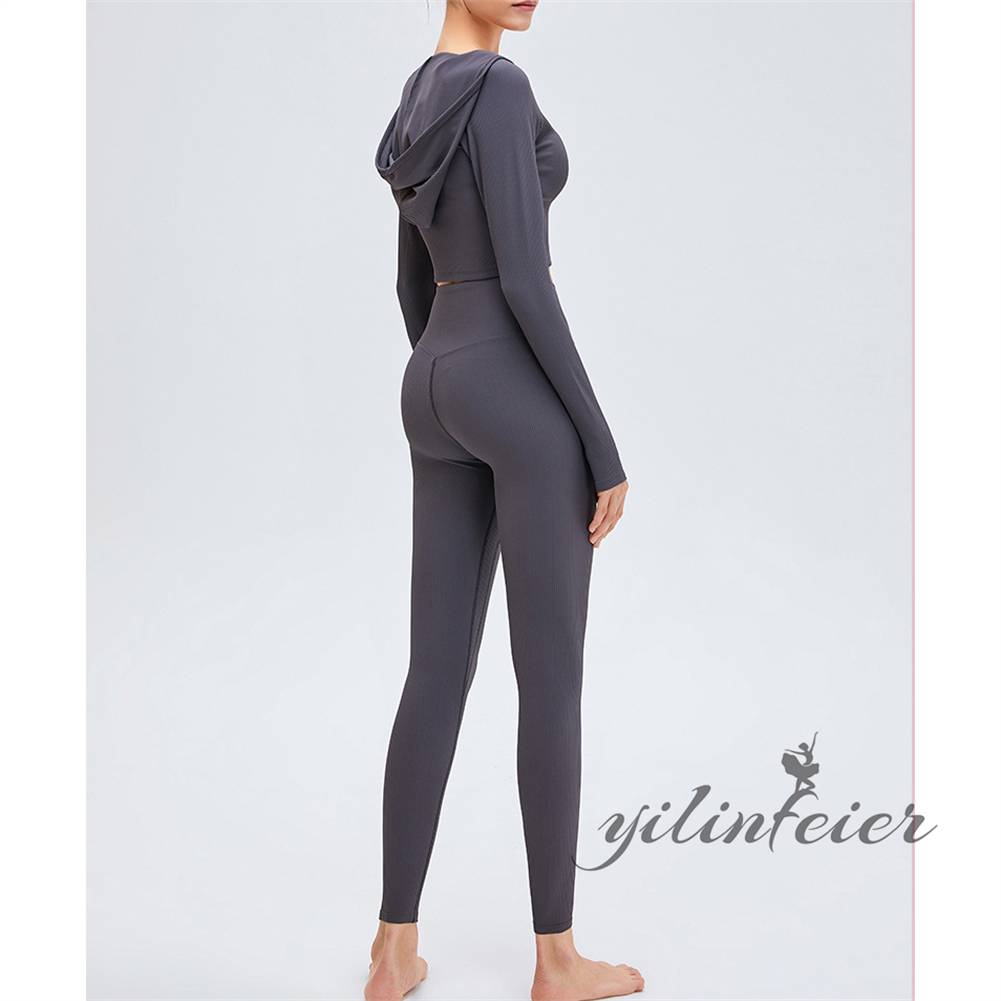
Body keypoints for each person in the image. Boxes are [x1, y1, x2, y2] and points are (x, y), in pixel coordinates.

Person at [369, 3, 639, 999]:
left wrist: (447, 375)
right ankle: (556, 959)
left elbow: (410, 278)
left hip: (431, 381)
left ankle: (392, 948)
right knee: (550, 678)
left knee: (433, 670)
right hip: (510, 387)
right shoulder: (498, 85)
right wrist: (599, 444)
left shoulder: (414, 99)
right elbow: (524, 278)